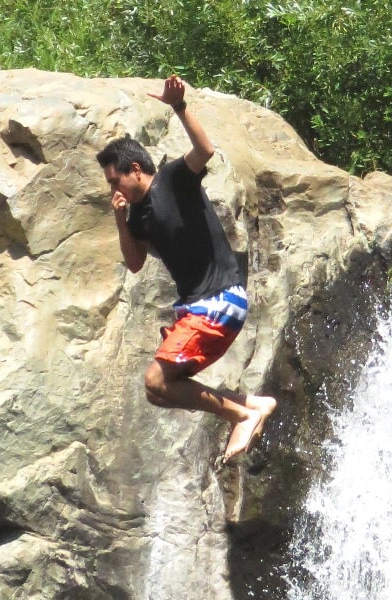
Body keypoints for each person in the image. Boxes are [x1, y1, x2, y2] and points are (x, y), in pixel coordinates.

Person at [97, 75, 276, 463]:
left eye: (115, 180)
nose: (113, 188)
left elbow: (205, 150)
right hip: (198, 307)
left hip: (220, 299)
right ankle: (253, 404)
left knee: (156, 379)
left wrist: (179, 106)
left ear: (134, 169)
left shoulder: (174, 180)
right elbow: (134, 262)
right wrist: (120, 220)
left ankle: (240, 416)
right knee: (158, 391)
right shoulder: (137, 216)